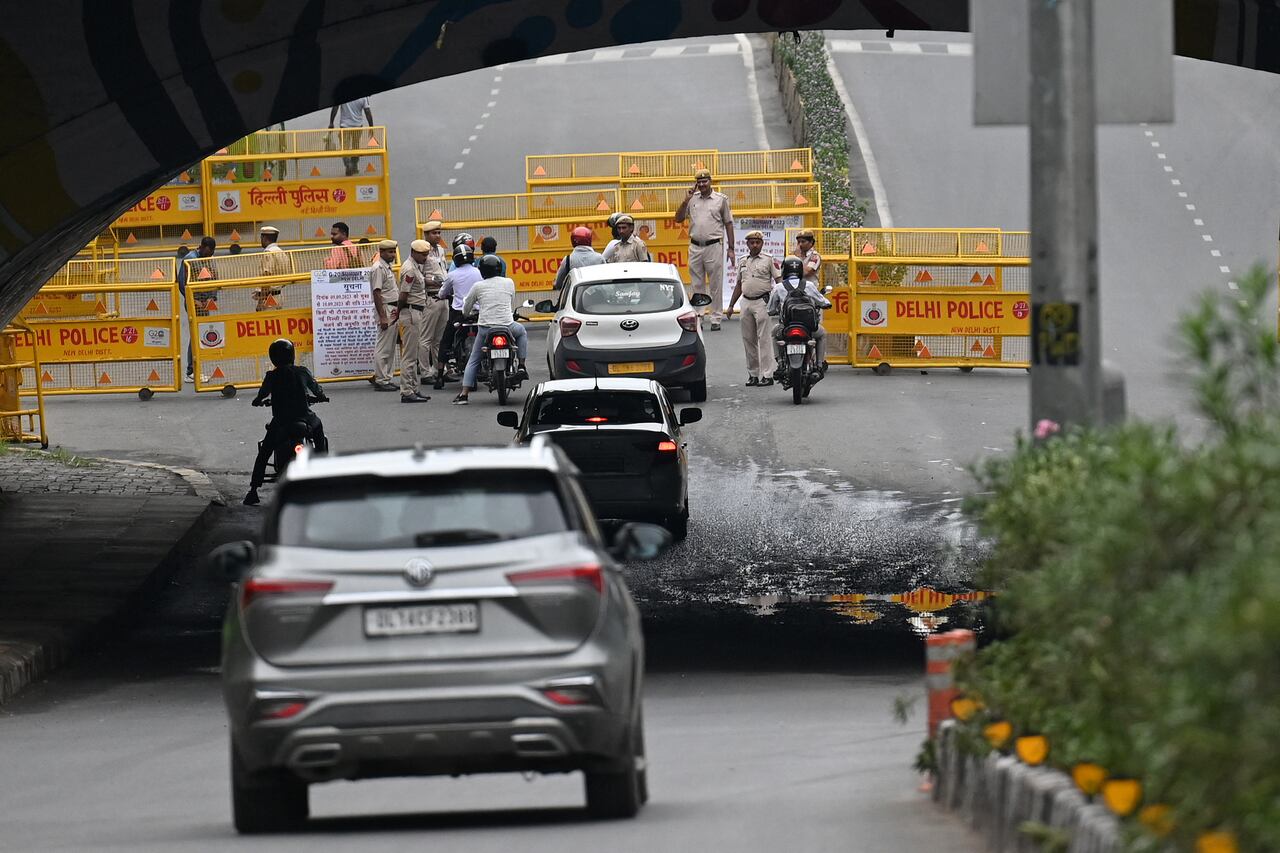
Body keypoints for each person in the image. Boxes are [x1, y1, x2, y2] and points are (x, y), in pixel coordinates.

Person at [244, 338, 328, 506]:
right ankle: (324, 474)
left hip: (281, 423)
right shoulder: (303, 372)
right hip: (305, 419)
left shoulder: (271, 376)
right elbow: (317, 390)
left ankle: (253, 490)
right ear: (292, 355)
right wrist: (321, 397)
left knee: (264, 452)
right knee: (320, 434)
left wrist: (258, 400)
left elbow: (262, 395)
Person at [453, 255, 529, 405]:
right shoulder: (509, 282)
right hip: (508, 327)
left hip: (486, 330)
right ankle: (521, 365)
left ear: (482, 271)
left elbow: (466, 308)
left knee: (474, 359)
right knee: (522, 332)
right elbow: (510, 300)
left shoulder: (478, 286)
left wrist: (466, 313)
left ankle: (464, 395)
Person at [675, 168, 734, 331]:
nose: (702, 184)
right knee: (696, 283)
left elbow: (728, 223)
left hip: (714, 245)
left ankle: (716, 317)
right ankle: (699, 315)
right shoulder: (692, 199)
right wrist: (685, 201)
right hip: (695, 245)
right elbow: (678, 218)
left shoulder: (720, 200)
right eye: (699, 182)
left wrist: (731, 248)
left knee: (715, 283)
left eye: (704, 181)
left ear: (710, 181)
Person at [726, 230, 781, 386]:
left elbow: (778, 281)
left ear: (762, 243)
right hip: (746, 302)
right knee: (748, 340)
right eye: (752, 242)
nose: (755, 245)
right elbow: (738, 284)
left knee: (764, 339)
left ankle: (767, 375)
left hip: (762, 302)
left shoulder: (769, 260)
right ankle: (753, 374)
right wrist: (731, 305)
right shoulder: (743, 261)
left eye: (758, 242)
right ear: (747, 244)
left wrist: (782, 301)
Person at [767, 257, 831, 374]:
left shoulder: (778, 287)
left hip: (786, 328)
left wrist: (775, 310)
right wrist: (827, 304)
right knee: (821, 334)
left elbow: (770, 310)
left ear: (784, 270)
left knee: (773, 334)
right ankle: (819, 364)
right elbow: (823, 301)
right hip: (809, 329)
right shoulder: (809, 285)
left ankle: (780, 362)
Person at [436, 243, 482, 386]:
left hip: (458, 314)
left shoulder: (452, 275)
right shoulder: (478, 272)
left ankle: (439, 377)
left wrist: (444, 295)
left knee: (446, 341)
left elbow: (442, 293)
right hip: (478, 313)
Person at [395, 239, 433, 403]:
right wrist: (398, 311)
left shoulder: (415, 266)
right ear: (414, 253)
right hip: (410, 312)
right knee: (409, 356)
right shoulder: (410, 269)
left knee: (414, 353)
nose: (426, 257)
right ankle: (407, 391)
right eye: (423, 254)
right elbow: (403, 295)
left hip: (415, 311)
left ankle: (414, 389)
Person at [176, 236, 217, 382]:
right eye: (210, 251)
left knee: (201, 334)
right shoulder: (190, 259)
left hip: (205, 302)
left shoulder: (208, 259)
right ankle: (190, 371)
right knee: (196, 335)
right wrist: (193, 300)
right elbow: (182, 283)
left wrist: (212, 297)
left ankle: (195, 369)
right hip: (196, 303)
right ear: (205, 248)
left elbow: (214, 279)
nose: (211, 254)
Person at [417, 220, 450, 382]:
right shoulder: (422, 252)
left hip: (443, 297)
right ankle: (425, 373)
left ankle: (439, 370)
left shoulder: (440, 250)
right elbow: (420, 277)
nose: (437, 235)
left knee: (440, 338)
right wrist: (434, 281)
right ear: (426, 235)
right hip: (431, 297)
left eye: (439, 232)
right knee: (426, 338)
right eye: (434, 233)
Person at [369, 239, 400, 392]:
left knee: (390, 346)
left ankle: (386, 378)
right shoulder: (378, 268)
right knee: (383, 346)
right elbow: (377, 293)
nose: (393, 254)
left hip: (392, 308)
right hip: (386, 309)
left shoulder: (387, 267)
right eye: (389, 251)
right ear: (381, 252)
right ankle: (381, 379)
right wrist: (382, 316)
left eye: (393, 251)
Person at [327, 97, 374, 176]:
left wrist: (331, 122)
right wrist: (371, 126)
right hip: (358, 126)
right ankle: (354, 166)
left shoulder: (343, 94)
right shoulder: (363, 97)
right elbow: (367, 111)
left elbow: (335, 108)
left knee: (344, 148)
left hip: (344, 127)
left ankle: (348, 164)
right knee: (355, 147)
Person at [253, 225, 289, 311]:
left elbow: (267, 276)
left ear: (265, 238)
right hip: (279, 295)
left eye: (261, 238)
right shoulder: (281, 252)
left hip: (269, 299)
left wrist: (261, 301)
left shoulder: (268, 253)